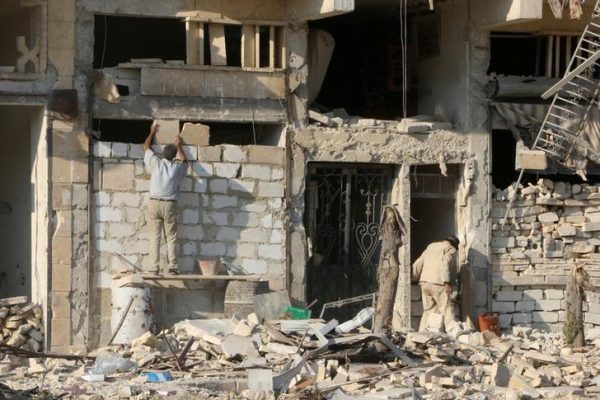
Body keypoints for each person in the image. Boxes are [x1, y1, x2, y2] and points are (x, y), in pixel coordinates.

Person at [142, 121, 188, 275]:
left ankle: (154, 268)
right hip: (169, 205)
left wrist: (152, 132)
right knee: (171, 237)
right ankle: (173, 267)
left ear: (162, 154)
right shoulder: (177, 168)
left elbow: (145, 147)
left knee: (155, 237)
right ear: (174, 156)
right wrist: (179, 146)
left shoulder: (156, 163)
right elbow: (185, 161)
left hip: (154, 204)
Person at [412, 236, 459, 332]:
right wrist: (447, 282)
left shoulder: (431, 246)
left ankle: (422, 334)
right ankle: (455, 334)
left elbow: (418, 263)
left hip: (425, 282)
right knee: (447, 308)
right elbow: (445, 264)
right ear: (454, 245)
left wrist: (414, 278)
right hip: (438, 283)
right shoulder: (450, 249)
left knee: (428, 311)